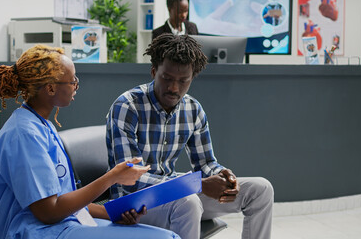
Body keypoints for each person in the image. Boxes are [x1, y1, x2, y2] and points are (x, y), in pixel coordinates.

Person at [0, 44, 180, 239]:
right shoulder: (24, 134)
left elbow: (63, 199)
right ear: (51, 88)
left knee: (167, 236)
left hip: (66, 224)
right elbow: (48, 212)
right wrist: (112, 177)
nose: (76, 86)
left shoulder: (41, 126)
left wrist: (112, 214)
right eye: (72, 81)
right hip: (37, 232)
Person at [106, 34, 274, 239]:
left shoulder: (193, 109)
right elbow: (129, 178)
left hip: (175, 193)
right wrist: (198, 185)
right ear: (153, 72)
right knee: (189, 201)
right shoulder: (127, 106)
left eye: (182, 81)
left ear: (192, 77)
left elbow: (205, 163)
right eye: (167, 78)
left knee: (261, 189)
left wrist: (222, 174)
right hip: (132, 204)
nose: (174, 88)